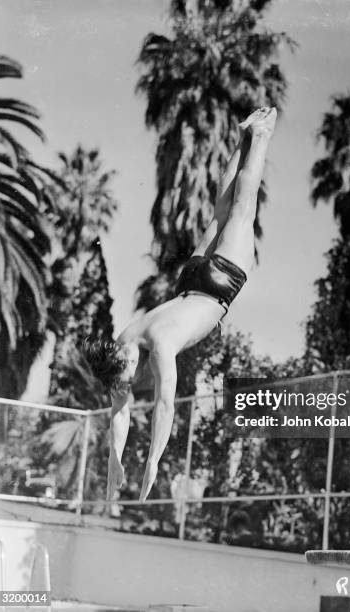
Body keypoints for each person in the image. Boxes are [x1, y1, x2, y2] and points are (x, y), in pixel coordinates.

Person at [84, 107, 277, 502]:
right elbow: (119, 409)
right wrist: (114, 460)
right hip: (190, 278)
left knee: (242, 209)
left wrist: (154, 459)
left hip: (218, 283)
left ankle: (259, 136)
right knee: (223, 211)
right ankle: (242, 137)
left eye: (130, 376)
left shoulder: (158, 344)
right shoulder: (123, 343)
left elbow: (165, 406)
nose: (133, 379)